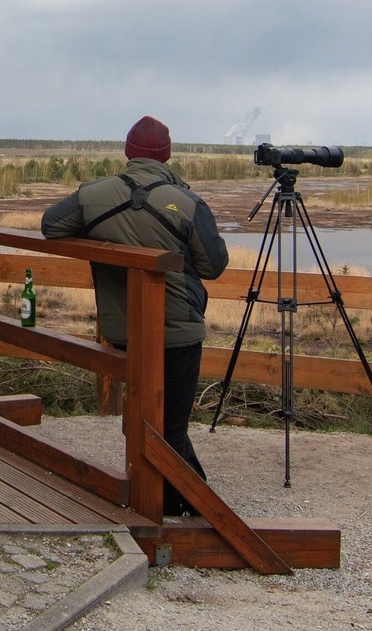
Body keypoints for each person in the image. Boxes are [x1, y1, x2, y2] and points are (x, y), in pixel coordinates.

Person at [40, 115, 229, 516]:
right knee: (169, 427)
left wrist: (102, 234)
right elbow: (214, 266)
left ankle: (181, 499)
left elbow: (50, 225)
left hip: (123, 330)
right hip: (177, 332)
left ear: (128, 152)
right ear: (167, 155)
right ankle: (182, 507)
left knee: (147, 418)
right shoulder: (188, 203)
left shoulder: (92, 195)